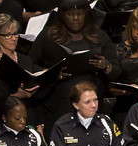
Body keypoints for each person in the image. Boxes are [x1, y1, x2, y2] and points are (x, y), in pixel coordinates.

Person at [28, 0, 121, 129]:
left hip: (90, 105)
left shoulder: (99, 36)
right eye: (71, 14)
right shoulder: (48, 35)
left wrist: (106, 66)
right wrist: (51, 73)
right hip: (57, 104)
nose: (76, 18)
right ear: (62, 15)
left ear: (86, 14)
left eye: (80, 14)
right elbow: (31, 66)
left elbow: (116, 72)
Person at [0, 14, 44, 129]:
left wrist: (39, 123)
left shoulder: (26, 60)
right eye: (8, 35)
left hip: (28, 117)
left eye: (15, 33)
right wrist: (17, 95)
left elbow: (35, 98)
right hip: (2, 121)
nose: (14, 38)